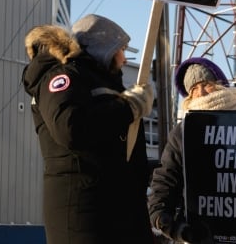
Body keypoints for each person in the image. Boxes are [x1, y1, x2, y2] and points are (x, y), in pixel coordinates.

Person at [21, 14, 155, 244]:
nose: (124, 58)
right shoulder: (63, 77)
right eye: (121, 49)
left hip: (116, 211)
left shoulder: (100, 82)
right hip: (84, 214)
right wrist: (128, 107)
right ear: (104, 48)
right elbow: (70, 128)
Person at [148, 57, 236, 243]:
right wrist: (168, 223)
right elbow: (166, 180)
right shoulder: (184, 132)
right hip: (201, 234)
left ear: (221, 84)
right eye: (193, 89)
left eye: (206, 84)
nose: (200, 93)